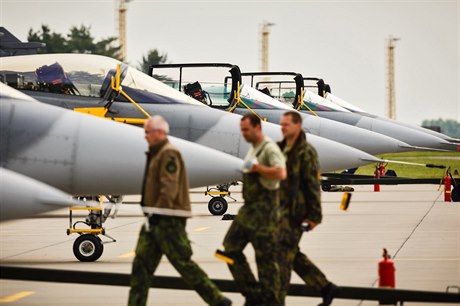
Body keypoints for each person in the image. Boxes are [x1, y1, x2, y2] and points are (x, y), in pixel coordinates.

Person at [128, 115, 231, 306]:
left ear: (159, 133)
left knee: (183, 264)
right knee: (140, 267)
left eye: (147, 132)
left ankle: (217, 300)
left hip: (168, 220)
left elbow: (169, 187)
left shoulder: (168, 153)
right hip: (155, 219)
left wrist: (158, 213)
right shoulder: (157, 152)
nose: (145, 137)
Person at [222, 113, 286, 306]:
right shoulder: (253, 149)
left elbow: (281, 172)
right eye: (241, 130)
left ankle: (272, 302)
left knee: (266, 261)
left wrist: (259, 169)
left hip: (265, 211)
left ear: (258, 128)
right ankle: (252, 293)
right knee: (229, 248)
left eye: (246, 130)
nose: (243, 134)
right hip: (249, 209)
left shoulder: (268, 148)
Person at [277, 111, 338, 306]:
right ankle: (325, 286)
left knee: (282, 254)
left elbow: (313, 185)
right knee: (288, 251)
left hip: (297, 212)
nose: (283, 128)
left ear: (297, 126)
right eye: (282, 124)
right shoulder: (281, 149)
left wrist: (314, 216)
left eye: (287, 124)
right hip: (280, 211)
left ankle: (276, 299)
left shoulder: (306, 152)